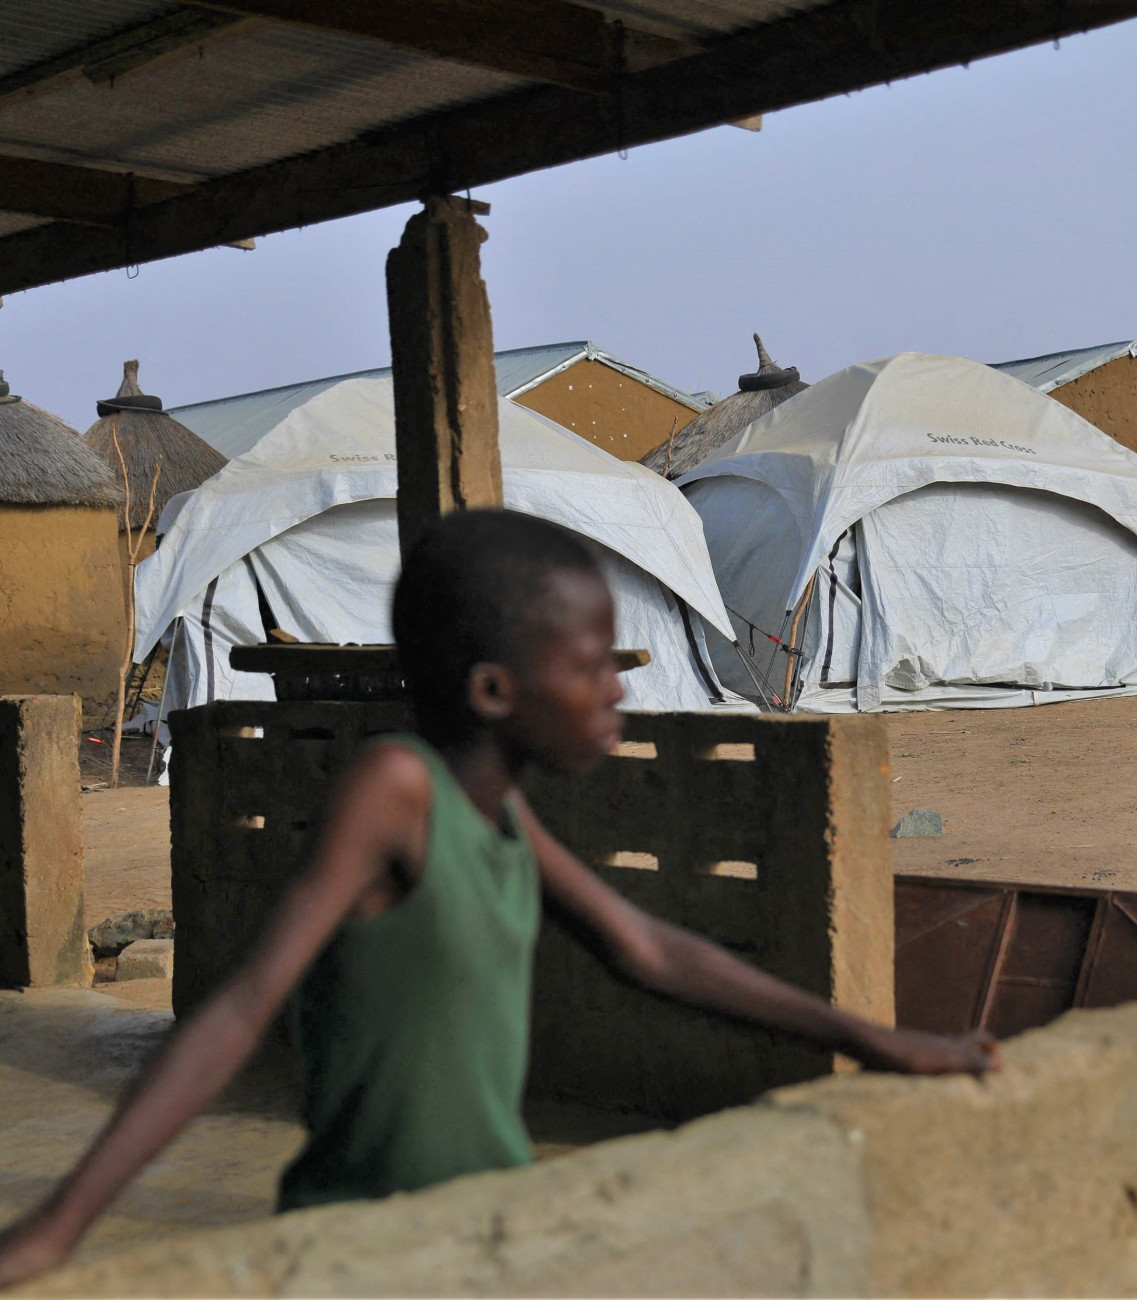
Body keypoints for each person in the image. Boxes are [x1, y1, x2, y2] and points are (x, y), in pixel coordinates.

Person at [0, 509, 998, 1288]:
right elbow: (245, 1002)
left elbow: (652, 950)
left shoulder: (507, 819)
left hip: (487, 1231)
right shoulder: (398, 791)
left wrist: (875, 1040)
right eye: (589, 662)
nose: (616, 684)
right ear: (491, 690)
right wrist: (61, 1223)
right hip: (370, 1244)